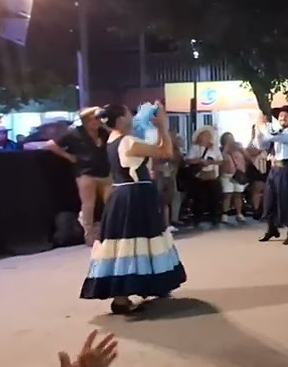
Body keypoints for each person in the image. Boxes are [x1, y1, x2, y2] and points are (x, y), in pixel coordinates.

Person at [81, 104, 185, 315]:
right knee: (137, 240)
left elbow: (152, 150)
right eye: (128, 112)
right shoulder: (128, 141)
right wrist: (163, 126)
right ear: (120, 119)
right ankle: (125, 294)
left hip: (123, 194)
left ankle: (132, 292)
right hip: (135, 196)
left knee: (126, 242)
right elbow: (166, 152)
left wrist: (157, 130)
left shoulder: (114, 140)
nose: (133, 115)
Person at [45, 107, 111, 245]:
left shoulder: (103, 132)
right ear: (86, 121)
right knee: (88, 204)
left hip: (104, 172)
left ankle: (109, 231)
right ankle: (89, 235)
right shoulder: (74, 133)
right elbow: (51, 144)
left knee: (111, 202)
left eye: (98, 119)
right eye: (94, 119)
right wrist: (69, 156)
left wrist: (104, 124)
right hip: (85, 172)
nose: (97, 122)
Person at [254, 106, 288, 245]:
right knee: (270, 199)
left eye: (286, 116)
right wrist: (258, 131)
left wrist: (262, 125)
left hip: (287, 168)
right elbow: (260, 145)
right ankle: (272, 228)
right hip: (275, 168)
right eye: (281, 116)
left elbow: (271, 136)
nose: (282, 118)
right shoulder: (276, 132)